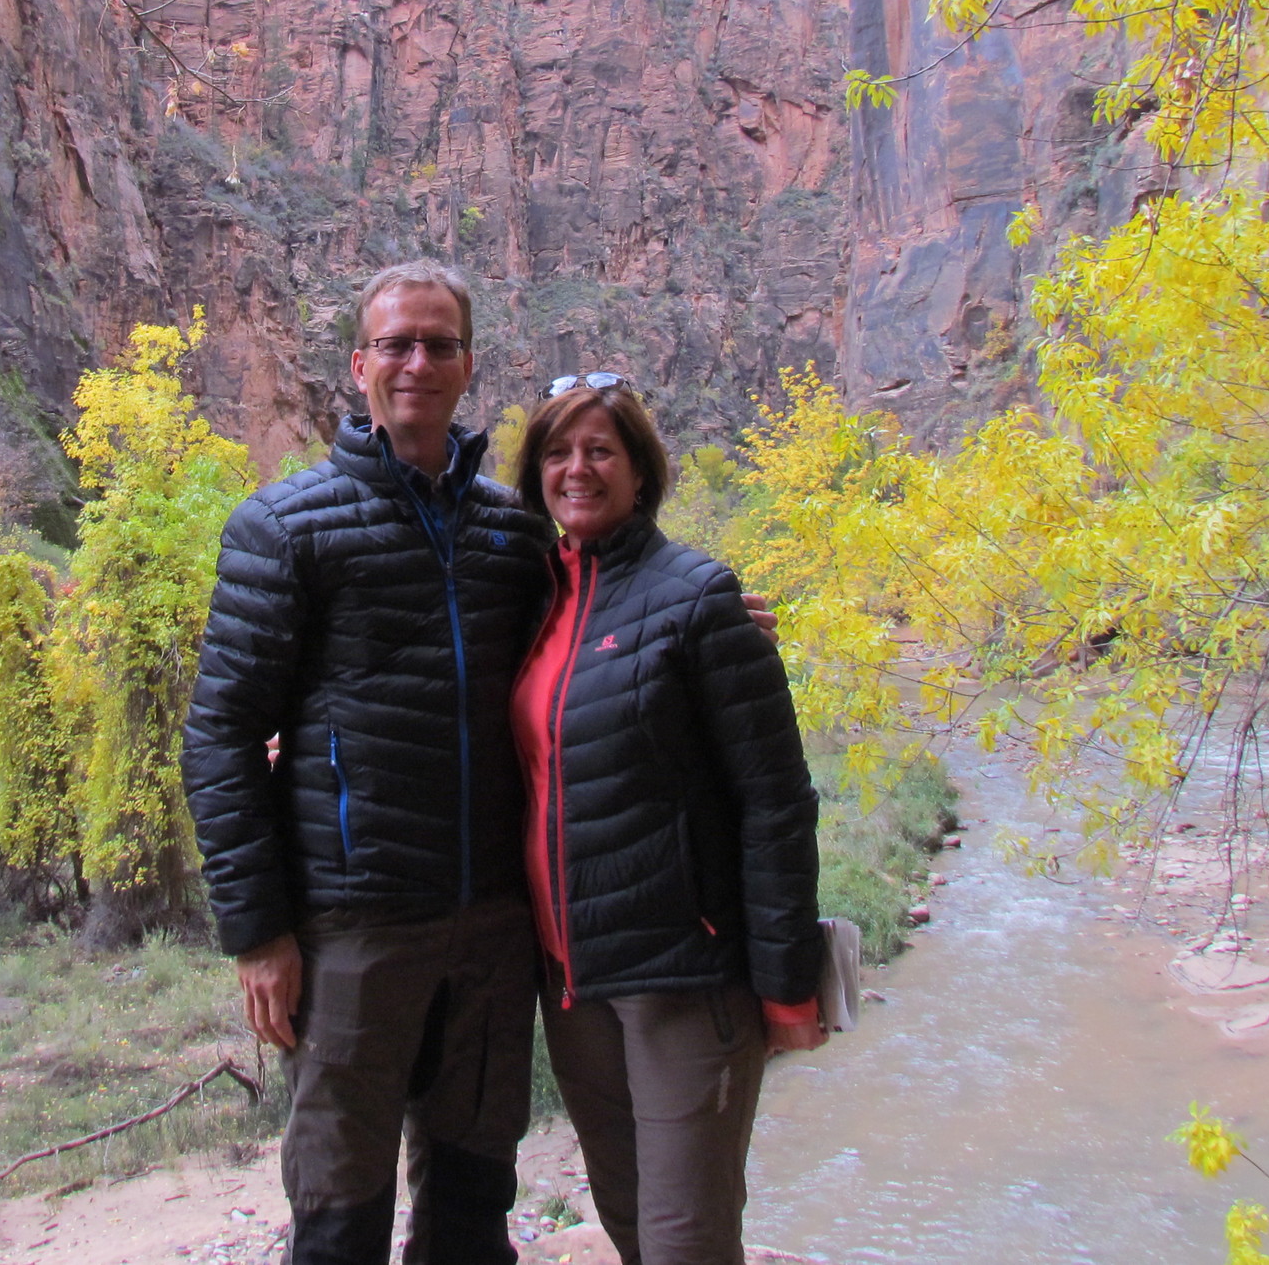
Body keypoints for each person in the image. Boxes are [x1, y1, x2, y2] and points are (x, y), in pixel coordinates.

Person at [183, 261, 551, 1265]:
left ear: (468, 365)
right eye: (395, 343)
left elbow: (600, 635)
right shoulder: (283, 527)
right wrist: (258, 934)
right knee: (339, 1216)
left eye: (438, 344)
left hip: (490, 925)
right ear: (358, 365)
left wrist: (707, 617)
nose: (416, 362)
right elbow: (219, 733)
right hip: (350, 929)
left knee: (472, 1210)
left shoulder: (516, 535)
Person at [511, 373, 825, 1265]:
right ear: (535, 472)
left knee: (687, 1238)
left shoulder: (698, 597)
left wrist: (787, 981)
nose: (578, 468)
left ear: (641, 471)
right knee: (630, 1221)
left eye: (600, 449)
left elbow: (776, 798)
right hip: (572, 985)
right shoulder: (534, 602)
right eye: (560, 452)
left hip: (684, 979)